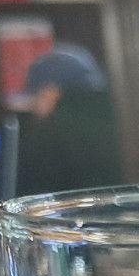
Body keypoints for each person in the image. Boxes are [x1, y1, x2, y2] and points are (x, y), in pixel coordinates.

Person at [15, 45, 124, 198]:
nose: (32, 105)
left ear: (49, 94)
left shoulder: (47, 137)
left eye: (34, 96)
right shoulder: (115, 125)